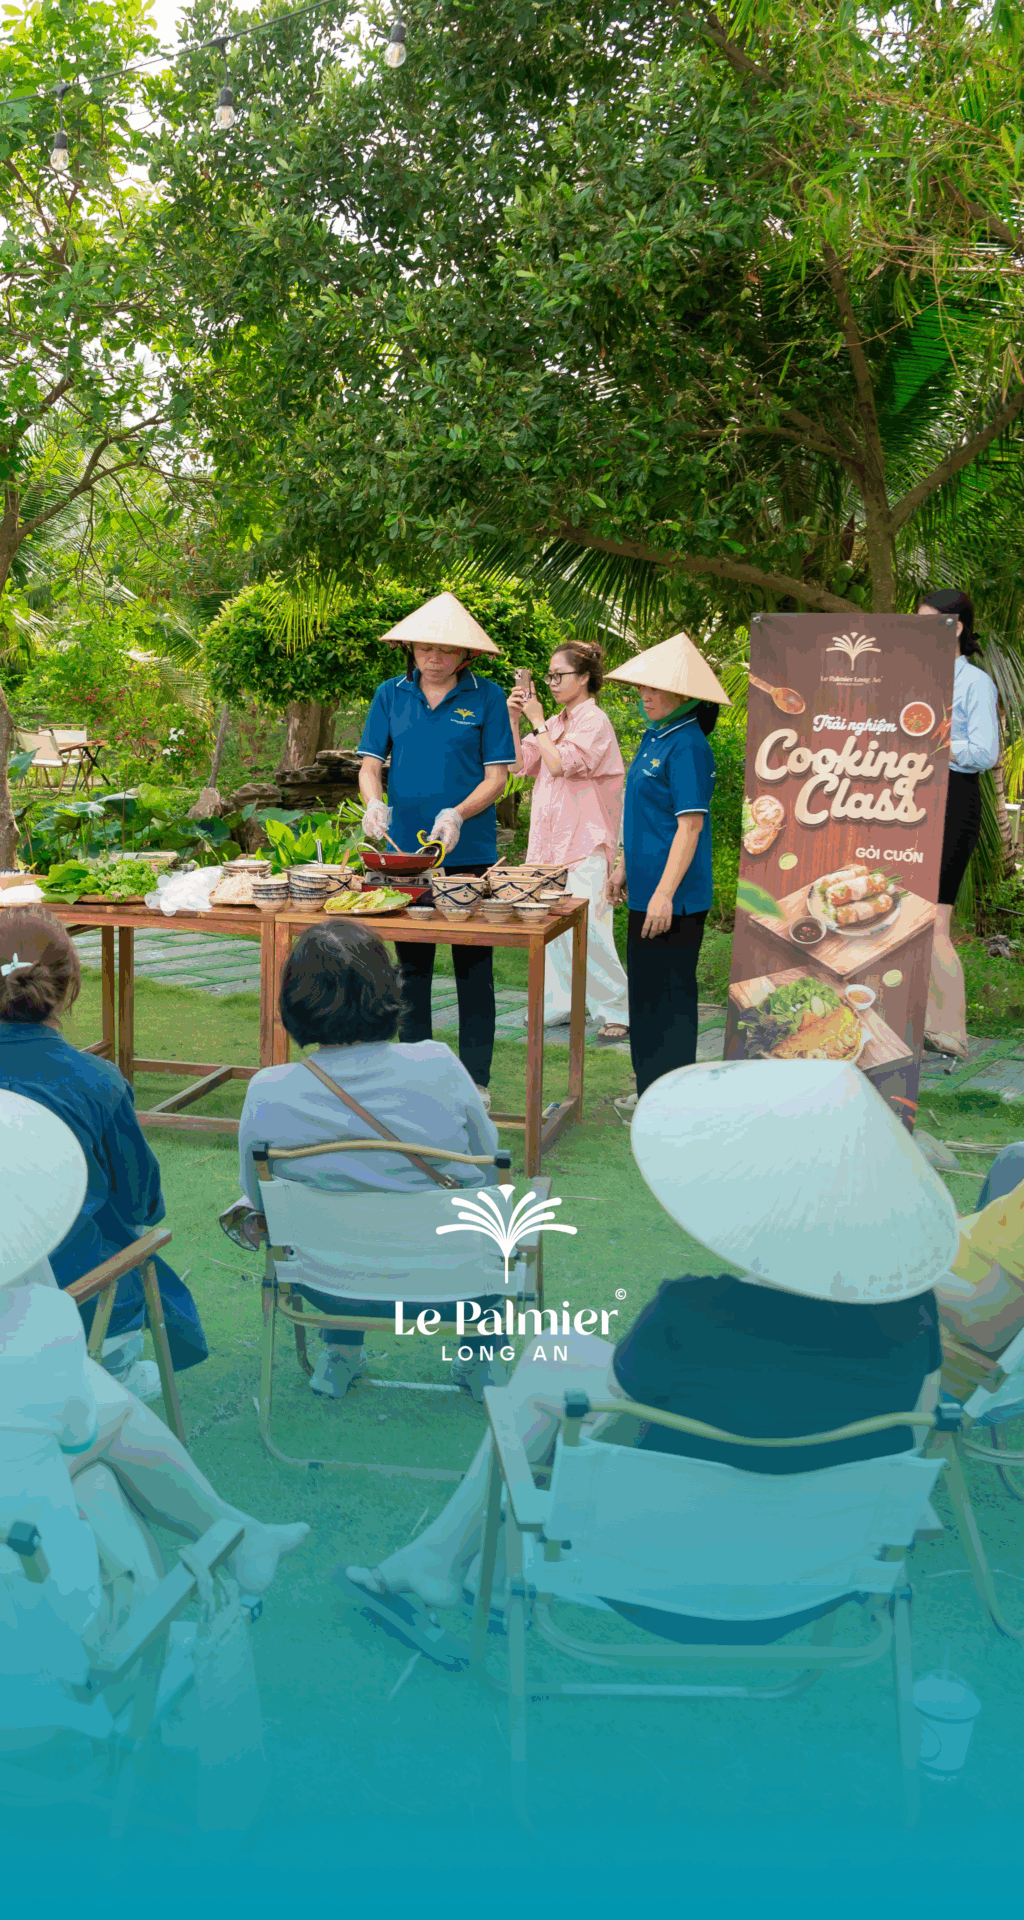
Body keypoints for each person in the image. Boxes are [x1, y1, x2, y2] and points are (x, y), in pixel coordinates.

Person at [345, 1060, 956, 1643]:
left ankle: (459, 1563)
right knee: (559, 1357)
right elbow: (909, 1440)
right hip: (813, 1581)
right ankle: (472, 1573)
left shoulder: (693, 1312)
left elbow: (610, 1433)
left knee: (543, 1400)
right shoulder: (916, 1317)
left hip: (641, 1569)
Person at [0, 1090, 308, 1722]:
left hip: (25, 1585)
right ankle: (222, 1548)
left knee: (87, 1468)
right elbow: (79, 1431)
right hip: (48, 1654)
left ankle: (235, 1540)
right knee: (97, 1464)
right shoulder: (38, 1328)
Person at [235, 919, 506, 1402]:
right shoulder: (440, 1064)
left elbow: (259, 1198)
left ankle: (339, 1354)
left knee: (330, 1211)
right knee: (488, 1214)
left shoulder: (268, 1090)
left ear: (292, 998)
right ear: (389, 988)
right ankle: (482, 1362)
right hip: (456, 1276)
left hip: (326, 1282)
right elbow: (488, 1169)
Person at [0, 909, 208, 1394]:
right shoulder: (98, 1082)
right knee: (123, 1228)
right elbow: (142, 1203)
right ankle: (116, 1374)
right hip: (77, 1302)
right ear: (69, 987)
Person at [357, 592, 516, 1109]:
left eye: (446, 650)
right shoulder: (390, 693)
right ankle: (416, 1078)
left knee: (474, 967)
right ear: (411, 648)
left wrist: (457, 814)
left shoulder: (487, 696)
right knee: (411, 969)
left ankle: (477, 1082)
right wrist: (374, 804)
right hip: (406, 851)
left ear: (465, 655)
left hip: (467, 849)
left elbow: (497, 777)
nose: (435, 658)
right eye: (425, 648)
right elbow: (370, 765)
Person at [602, 631, 730, 1112]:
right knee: (646, 999)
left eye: (655, 687)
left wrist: (663, 894)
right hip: (645, 890)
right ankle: (648, 1093)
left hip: (674, 899)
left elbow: (689, 827)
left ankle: (672, 1101)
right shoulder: (656, 735)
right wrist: (622, 867)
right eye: (642, 686)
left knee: (670, 1001)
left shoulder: (689, 745)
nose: (645, 694)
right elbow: (642, 815)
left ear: (683, 693)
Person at [508, 639, 629, 1038]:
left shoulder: (594, 721)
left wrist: (538, 723)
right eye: (549, 676)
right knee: (550, 928)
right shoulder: (555, 722)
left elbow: (560, 765)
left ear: (585, 677)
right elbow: (518, 765)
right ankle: (560, 1003)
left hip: (584, 843)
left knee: (592, 928)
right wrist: (514, 719)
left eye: (559, 675)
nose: (552, 682)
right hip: (547, 846)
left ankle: (615, 1009)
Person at [916, 587, 1000, 1059]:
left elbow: (984, 753)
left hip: (953, 800)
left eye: (928, 620)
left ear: (956, 628)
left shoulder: (975, 683)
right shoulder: (914, 676)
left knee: (935, 920)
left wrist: (934, 742)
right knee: (910, 916)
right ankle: (926, 1025)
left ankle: (953, 1033)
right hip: (910, 800)